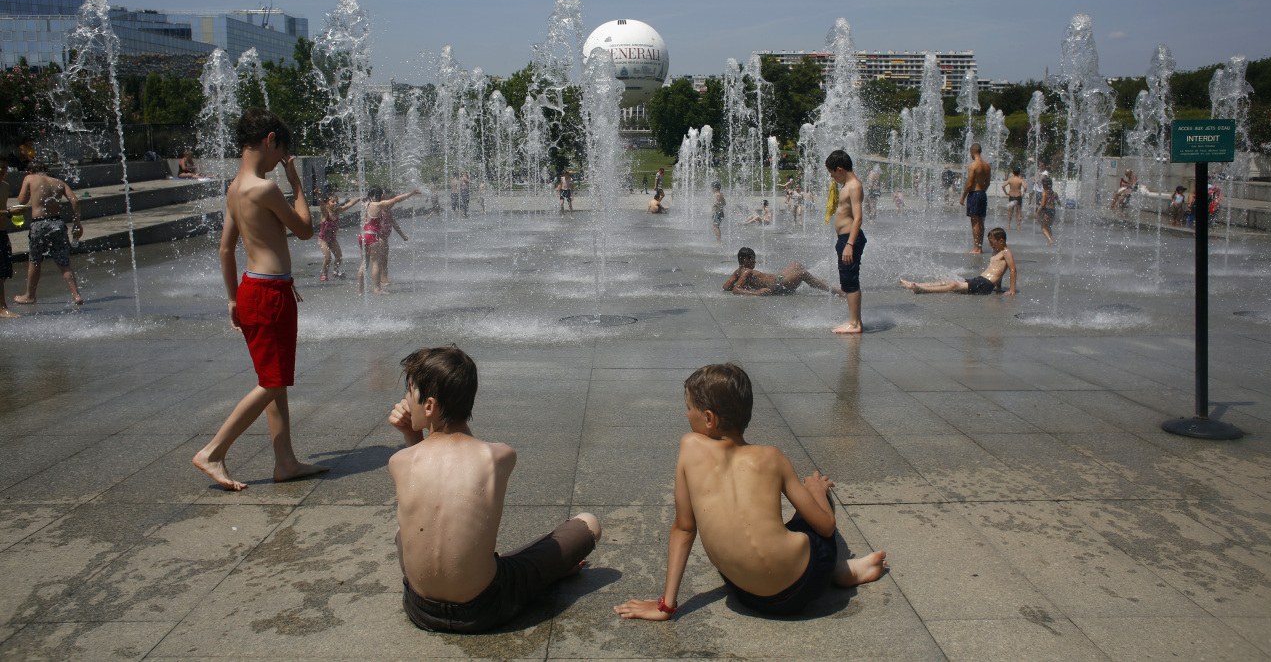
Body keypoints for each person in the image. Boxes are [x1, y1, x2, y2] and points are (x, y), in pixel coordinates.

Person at [614, 364, 887, 621]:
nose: (686, 415)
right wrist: (817, 490)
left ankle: (842, 571)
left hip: (750, 596)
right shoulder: (772, 457)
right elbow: (826, 528)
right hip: (808, 583)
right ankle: (840, 570)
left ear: (708, 418)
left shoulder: (689, 447)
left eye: (688, 408)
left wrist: (666, 606)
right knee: (816, 501)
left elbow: (684, 529)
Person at [388, 346, 601, 633]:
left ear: (429, 406)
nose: (403, 400)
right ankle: (547, 570)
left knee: (405, 531)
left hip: (420, 609)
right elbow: (462, 461)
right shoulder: (500, 456)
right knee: (589, 523)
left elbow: (426, 477)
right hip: (486, 608)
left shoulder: (399, 461)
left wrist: (411, 433)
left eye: (408, 392)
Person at [191, 108, 327, 491]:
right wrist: (297, 183)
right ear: (270, 141)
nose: (280, 161)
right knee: (273, 381)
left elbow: (224, 249)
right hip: (269, 293)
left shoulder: (235, 188)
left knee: (274, 380)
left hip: (253, 289)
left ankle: (285, 461)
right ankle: (213, 452)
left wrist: (233, 299)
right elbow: (303, 229)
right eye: (280, 152)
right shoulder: (264, 188)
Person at [12, 160, 83, 306]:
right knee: (64, 262)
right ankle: (76, 295)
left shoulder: (30, 179)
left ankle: (29, 295)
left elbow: (21, 200)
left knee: (35, 261)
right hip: (57, 223)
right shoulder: (58, 182)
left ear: (30, 171)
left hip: (39, 224)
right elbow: (75, 201)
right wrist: (77, 223)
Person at [900, 228, 1017, 296]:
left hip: (985, 285)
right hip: (980, 280)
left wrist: (1011, 290)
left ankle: (923, 290)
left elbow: (1012, 270)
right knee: (947, 281)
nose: (990, 245)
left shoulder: (1006, 252)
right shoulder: (996, 252)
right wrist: (998, 286)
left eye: (992, 242)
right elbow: (998, 270)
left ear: (1001, 241)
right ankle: (912, 285)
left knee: (954, 285)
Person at [826, 150, 866, 334]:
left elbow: (858, 218)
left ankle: (855, 324)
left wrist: (849, 244)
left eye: (832, 172)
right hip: (845, 238)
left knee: (850, 280)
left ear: (840, 169)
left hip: (850, 238)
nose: (832, 177)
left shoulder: (854, 186)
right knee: (848, 279)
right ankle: (854, 321)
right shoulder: (847, 185)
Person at [358, 185, 418, 295]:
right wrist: (411, 193)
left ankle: (360, 289)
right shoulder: (379, 205)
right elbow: (396, 199)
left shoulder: (365, 205)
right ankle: (377, 288)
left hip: (362, 235)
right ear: (380, 195)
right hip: (372, 236)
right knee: (376, 263)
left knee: (364, 263)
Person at [723, 247, 836, 296]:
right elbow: (735, 290)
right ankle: (835, 291)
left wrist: (744, 283)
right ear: (746, 260)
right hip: (781, 286)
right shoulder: (746, 272)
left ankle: (817, 282)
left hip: (780, 278)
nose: (755, 262)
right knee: (803, 273)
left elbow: (726, 287)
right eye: (753, 259)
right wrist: (756, 292)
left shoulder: (738, 272)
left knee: (796, 265)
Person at [317, 191, 360, 281]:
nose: (335, 203)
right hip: (323, 239)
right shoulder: (325, 213)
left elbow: (349, 205)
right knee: (328, 257)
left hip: (332, 239)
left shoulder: (338, 211)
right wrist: (319, 195)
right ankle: (324, 273)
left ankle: (335, 271)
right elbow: (321, 205)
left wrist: (360, 198)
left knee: (339, 257)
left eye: (336, 201)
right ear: (327, 204)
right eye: (332, 201)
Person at [959, 143, 991, 254]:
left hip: (974, 194)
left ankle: (976, 248)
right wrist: (982, 191)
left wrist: (963, 196)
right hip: (982, 193)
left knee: (974, 221)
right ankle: (980, 247)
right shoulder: (987, 165)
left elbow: (969, 183)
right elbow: (988, 182)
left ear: (972, 151)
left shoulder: (973, 165)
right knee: (981, 221)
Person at [1, 160, 22, 318]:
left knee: (4, 272)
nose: (3, 170)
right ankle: (2, 307)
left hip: (2, 232)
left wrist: (13, 216)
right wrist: (8, 213)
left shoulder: (5, 186)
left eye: (5, 168)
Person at [1002, 167, 1026, 231]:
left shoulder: (1010, 180)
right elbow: (1025, 187)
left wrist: (1006, 193)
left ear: (1013, 172)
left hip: (1011, 196)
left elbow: (1003, 186)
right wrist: (1023, 193)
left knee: (1010, 211)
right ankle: (1018, 226)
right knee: (1019, 212)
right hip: (1018, 196)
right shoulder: (1020, 180)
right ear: (1019, 173)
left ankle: (1008, 226)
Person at [1036, 176, 1058, 245]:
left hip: (1047, 211)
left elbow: (1042, 204)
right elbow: (1059, 202)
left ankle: (1050, 240)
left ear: (1044, 185)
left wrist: (1037, 213)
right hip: (1053, 211)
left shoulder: (1044, 193)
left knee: (1043, 227)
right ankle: (1050, 240)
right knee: (1049, 226)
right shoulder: (1054, 193)